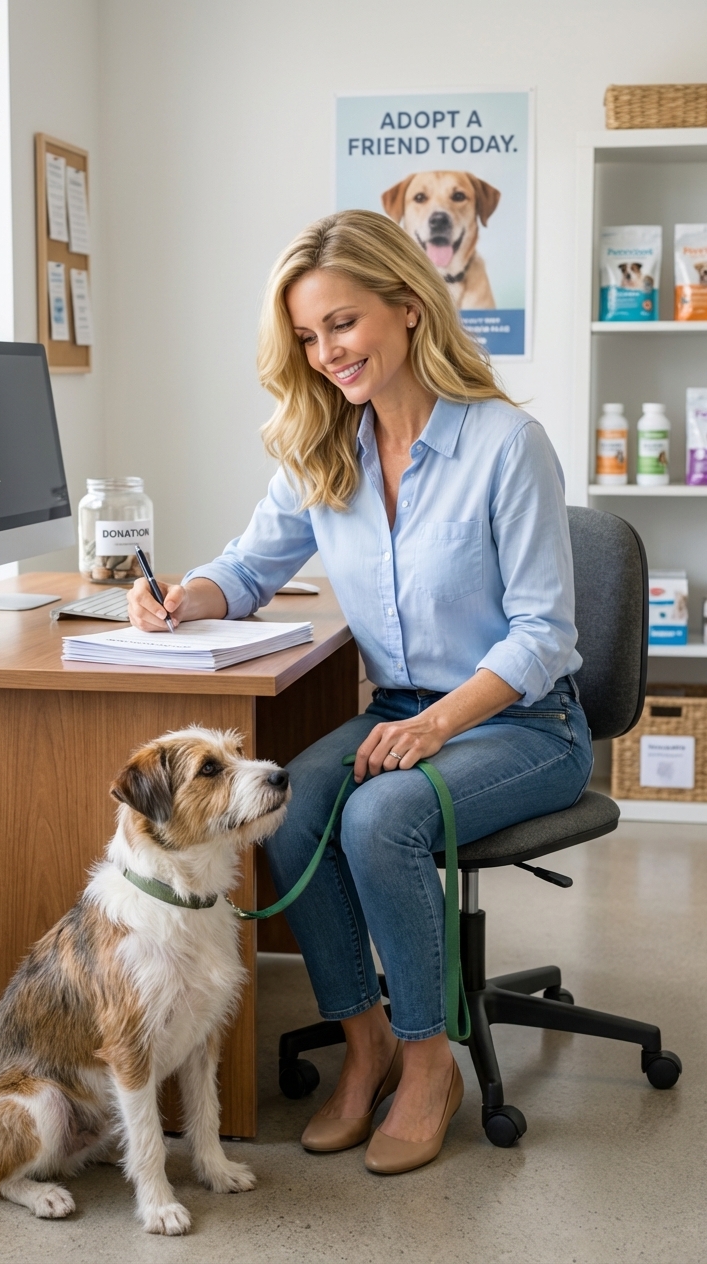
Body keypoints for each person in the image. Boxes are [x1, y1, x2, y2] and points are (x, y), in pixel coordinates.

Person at [128, 209, 593, 1175]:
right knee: (290, 808)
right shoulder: (324, 448)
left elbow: (545, 635)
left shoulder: (507, 445)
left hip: (521, 722)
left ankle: (429, 1065)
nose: (325, 351)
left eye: (341, 323)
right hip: (400, 713)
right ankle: (366, 1042)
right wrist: (181, 598)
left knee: (378, 820)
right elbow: (246, 570)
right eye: (306, 336)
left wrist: (432, 725)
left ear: (408, 307)